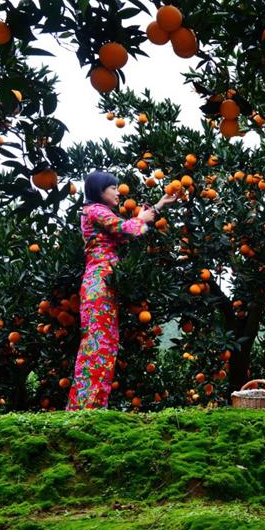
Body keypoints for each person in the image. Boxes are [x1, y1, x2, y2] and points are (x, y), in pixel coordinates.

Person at [66, 171, 178, 410]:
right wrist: (147, 217)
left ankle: (92, 405)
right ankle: (84, 408)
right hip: (99, 283)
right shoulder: (94, 210)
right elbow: (127, 229)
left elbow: (128, 232)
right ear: (99, 190)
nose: (118, 192)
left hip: (104, 284)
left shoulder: (99, 213)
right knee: (97, 343)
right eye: (113, 188)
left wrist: (156, 208)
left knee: (105, 343)